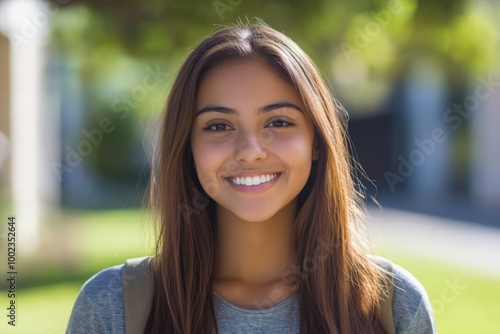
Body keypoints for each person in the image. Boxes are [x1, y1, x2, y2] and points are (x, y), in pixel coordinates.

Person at [67, 22, 436, 334]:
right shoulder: (112, 307)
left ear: (317, 143)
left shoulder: (395, 304)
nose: (250, 149)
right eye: (218, 125)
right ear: (187, 148)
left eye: (279, 122)